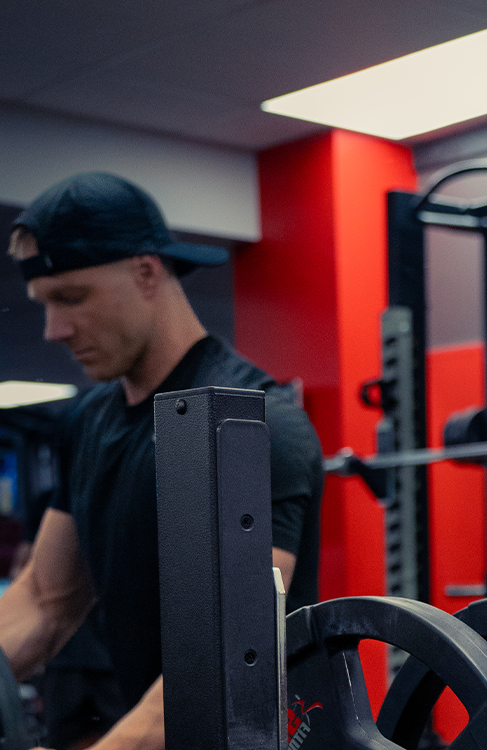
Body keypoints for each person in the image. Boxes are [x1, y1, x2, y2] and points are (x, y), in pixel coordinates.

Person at [0, 172, 324, 750]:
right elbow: (46, 599)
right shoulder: (89, 422)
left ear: (146, 272)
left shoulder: (253, 424)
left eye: (72, 298)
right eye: (44, 304)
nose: (54, 330)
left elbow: (228, 664)